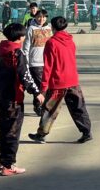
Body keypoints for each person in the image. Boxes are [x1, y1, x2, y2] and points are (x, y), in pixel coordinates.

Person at [0, 22, 39, 175]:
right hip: (13, 98)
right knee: (12, 132)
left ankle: (3, 161)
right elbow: (25, 76)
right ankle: (8, 165)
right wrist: (37, 92)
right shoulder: (17, 53)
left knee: (3, 129)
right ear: (21, 37)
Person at [28, 16, 92, 144]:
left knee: (49, 109)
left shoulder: (51, 42)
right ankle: (86, 131)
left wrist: (44, 87)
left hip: (58, 82)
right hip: (73, 79)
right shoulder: (70, 41)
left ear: (52, 27)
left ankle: (41, 134)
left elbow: (48, 66)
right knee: (78, 107)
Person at [22, 9, 51, 116]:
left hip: (47, 62)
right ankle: (39, 106)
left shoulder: (49, 28)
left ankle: (40, 105)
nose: (41, 19)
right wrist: (26, 62)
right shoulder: (31, 29)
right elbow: (26, 47)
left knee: (46, 86)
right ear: (35, 17)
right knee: (39, 86)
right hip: (35, 63)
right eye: (39, 17)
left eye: (43, 17)